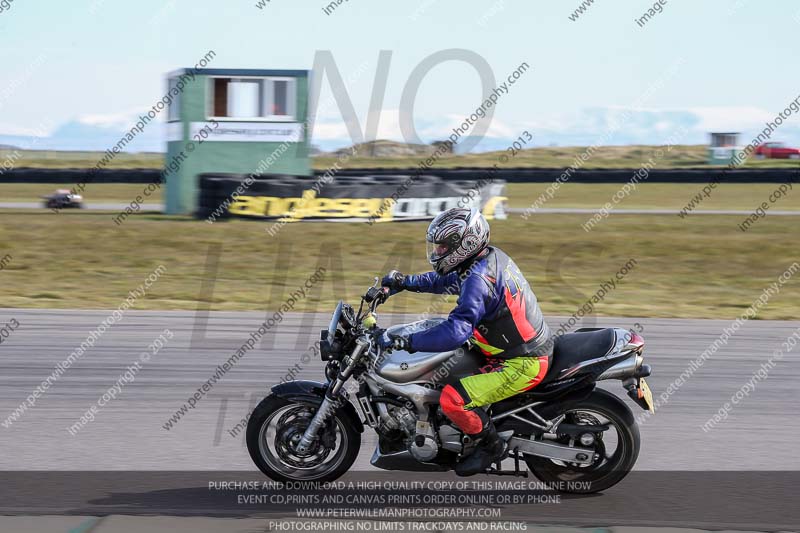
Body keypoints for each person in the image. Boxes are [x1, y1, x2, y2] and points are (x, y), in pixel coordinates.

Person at [378, 207, 553, 476]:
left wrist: (408, 341)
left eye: (443, 247)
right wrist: (406, 282)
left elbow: (456, 332)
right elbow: (445, 280)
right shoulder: (485, 259)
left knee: (453, 400)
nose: (437, 253)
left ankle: (490, 445)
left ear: (466, 244)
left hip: (522, 362)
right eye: (436, 247)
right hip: (505, 347)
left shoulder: (478, 278)